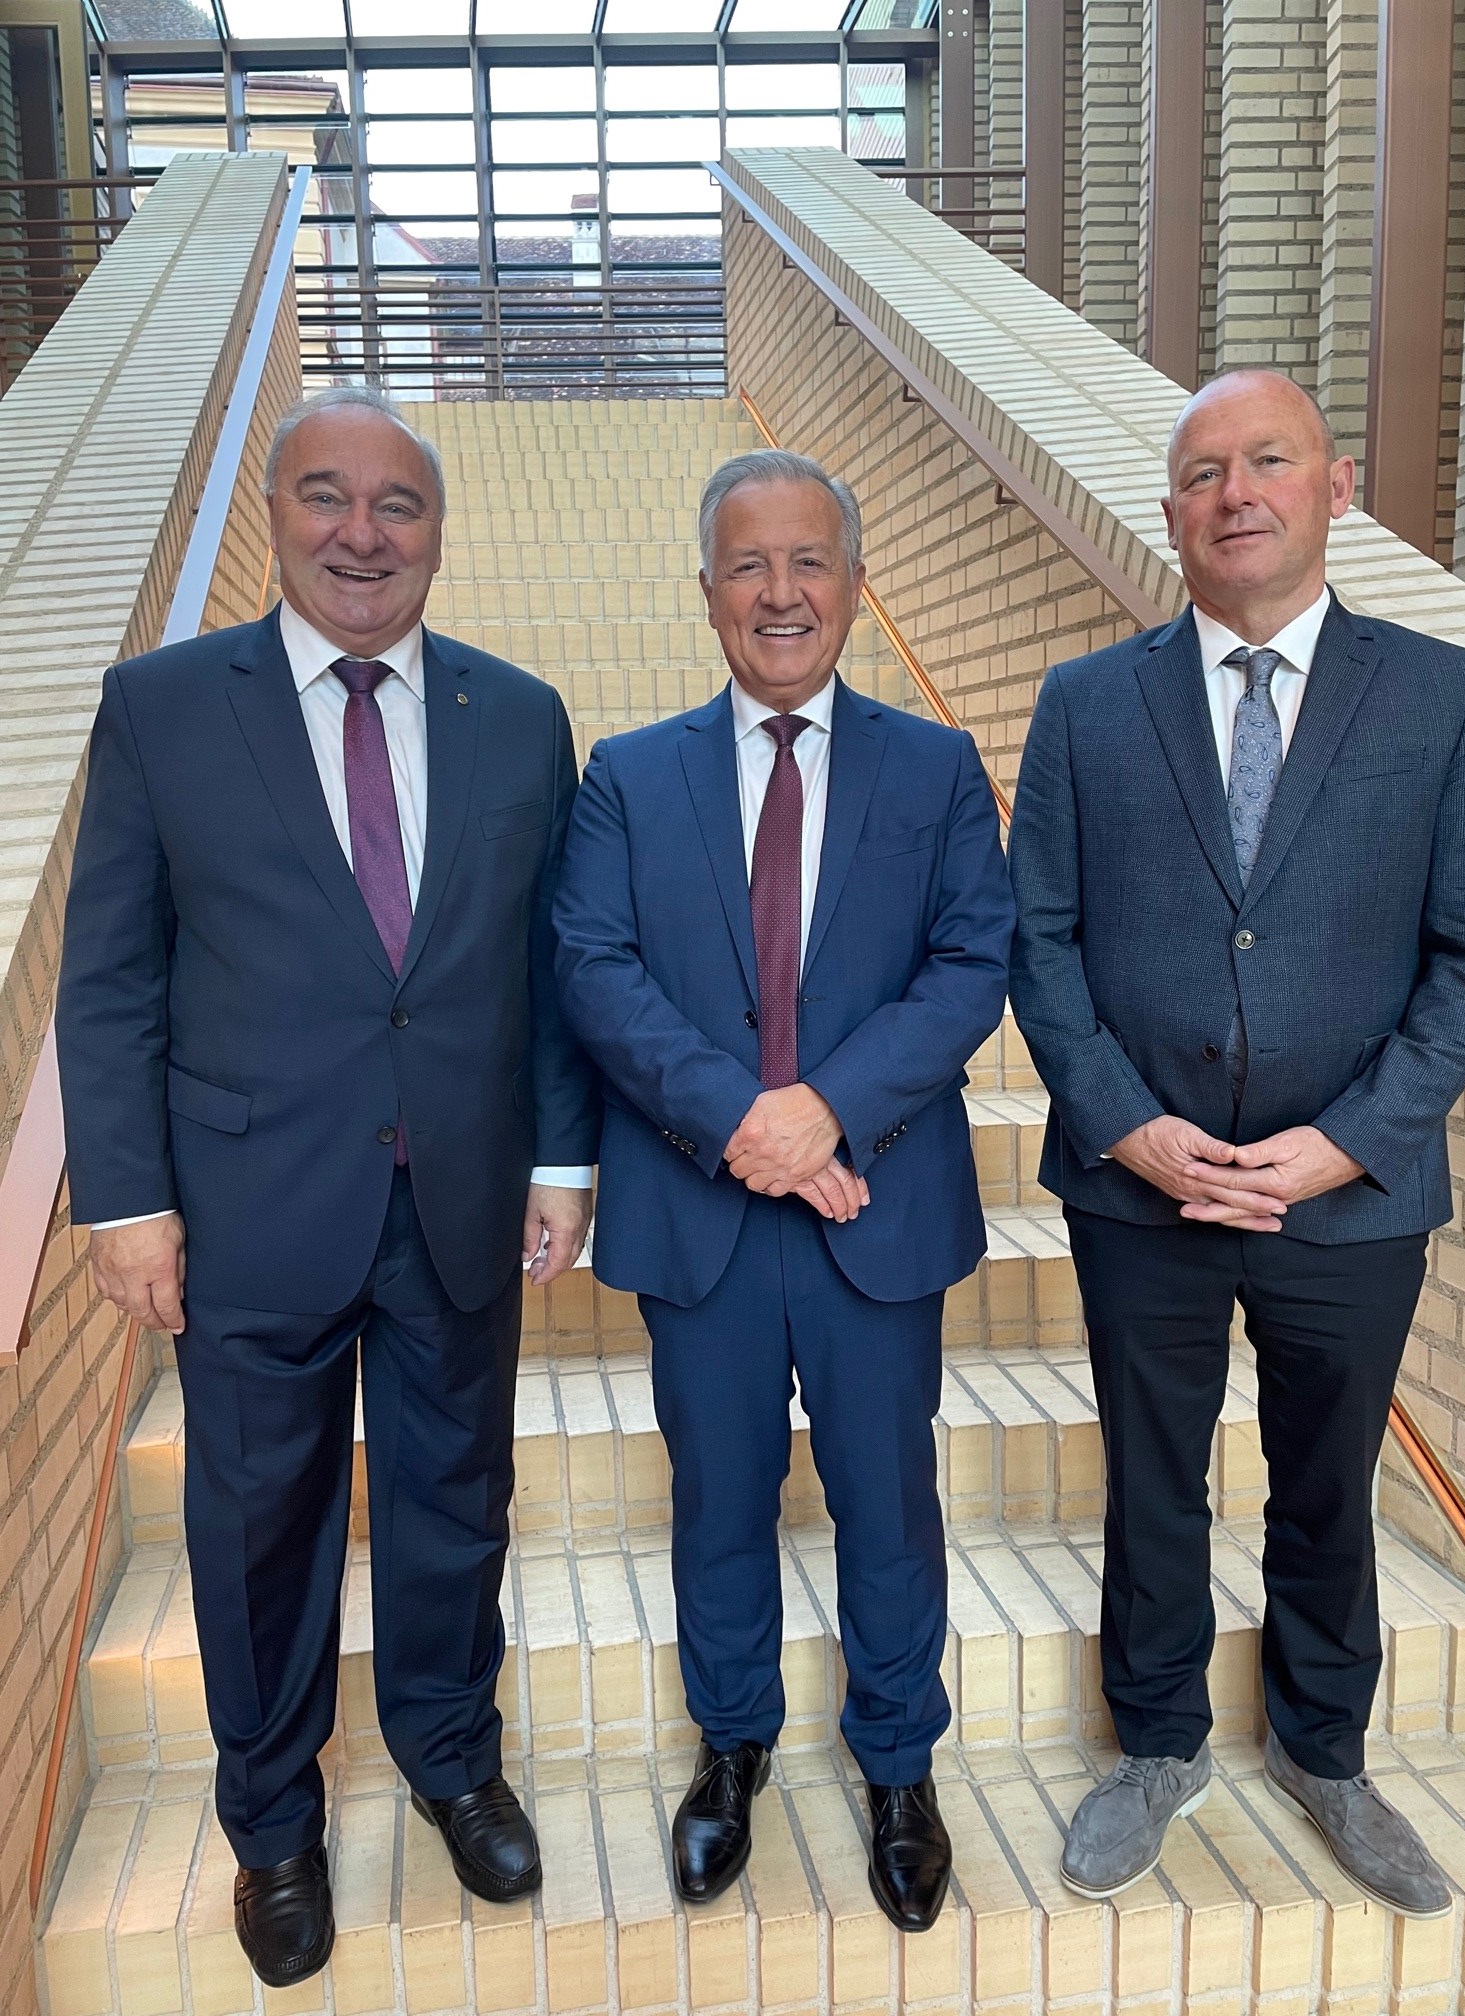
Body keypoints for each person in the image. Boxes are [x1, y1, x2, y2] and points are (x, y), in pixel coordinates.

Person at [56, 386, 600, 1989]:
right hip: (246, 1210)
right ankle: (274, 1827)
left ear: (438, 532)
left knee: (454, 1505)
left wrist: (561, 1158)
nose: (363, 533)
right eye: (325, 498)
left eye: (399, 507)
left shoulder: (521, 714)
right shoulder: (161, 706)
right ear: (275, 517)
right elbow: (109, 978)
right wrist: (125, 1199)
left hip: (460, 1200)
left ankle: (448, 1759)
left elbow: (543, 975)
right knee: (254, 1532)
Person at [1008, 368, 1465, 1914]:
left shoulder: (1443, 697)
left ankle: (1326, 1752)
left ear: (1336, 484)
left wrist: (1347, 1144)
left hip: (1347, 1202)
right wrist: (1128, 1129)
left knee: (1328, 1479)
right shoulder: (1089, 704)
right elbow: (1042, 943)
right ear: (1169, 512)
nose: (1236, 491)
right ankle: (1157, 1744)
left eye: (1269, 460)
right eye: (1205, 469)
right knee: (1154, 1475)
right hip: (1140, 1184)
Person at [552, 449, 1013, 1931]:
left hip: (876, 1210)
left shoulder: (935, 768)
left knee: (890, 1503)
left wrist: (826, 1115)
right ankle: (733, 1744)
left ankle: (897, 1766)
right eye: (748, 565)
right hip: (703, 1215)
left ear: (856, 583)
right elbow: (596, 972)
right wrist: (741, 1123)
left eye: (809, 560)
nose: (780, 591)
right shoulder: (628, 775)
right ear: (705, 593)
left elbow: (969, 968)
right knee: (720, 1498)